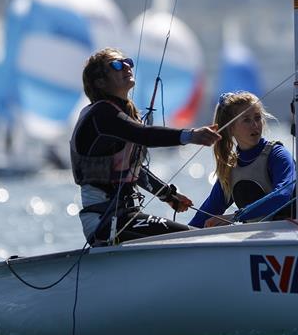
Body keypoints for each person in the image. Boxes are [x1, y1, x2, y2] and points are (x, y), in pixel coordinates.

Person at [71, 47, 220, 246]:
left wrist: (168, 195)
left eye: (128, 62)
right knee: (192, 237)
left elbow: (133, 170)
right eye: (116, 65)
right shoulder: (101, 114)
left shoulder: (121, 114)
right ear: (100, 82)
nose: (125, 66)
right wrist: (190, 135)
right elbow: (144, 135)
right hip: (106, 223)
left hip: (125, 217)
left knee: (192, 235)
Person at [189, 91, 295, 228]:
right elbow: (209, 212)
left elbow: (282, 195)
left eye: (257, 118)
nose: (255, 125)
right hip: (255, 243)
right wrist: (177, 236)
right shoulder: (231, 168)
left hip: (290, 235)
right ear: (231, 128)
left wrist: (237, 216)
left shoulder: (278, 155)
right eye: (246, 120)